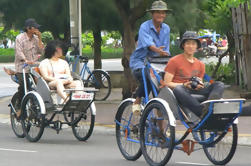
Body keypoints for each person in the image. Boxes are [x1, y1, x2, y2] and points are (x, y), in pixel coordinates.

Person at [163, 31, 224, 118]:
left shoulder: (200, 64)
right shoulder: (174, 61)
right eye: (188, 43)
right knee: (178, 89)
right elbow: (167, 83)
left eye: (193, 44)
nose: (190, 46)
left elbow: (200, 82)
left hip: (194, 90)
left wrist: (199, 85)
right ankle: (202, 113)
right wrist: (184, 85)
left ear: (197, 46)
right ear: (183, 45)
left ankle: (209, 107)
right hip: (181, 91)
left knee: (219, 84)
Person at [129, 0, 171, 115]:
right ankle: (137, 99)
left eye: (163, 13)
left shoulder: (166, 28)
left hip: (157, 63)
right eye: (158, 12)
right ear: (152, 14)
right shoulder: (145, 26)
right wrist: (158, 50)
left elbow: (166, 49)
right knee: (149, 74)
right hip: (140, 62)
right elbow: (149, 44)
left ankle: (161, 128)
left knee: (162, 92)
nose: (161, 15)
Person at [14, 18, 44, 117]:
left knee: (42, 83)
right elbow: (19, 52)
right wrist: (25, 60)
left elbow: (41, 52)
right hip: (22, 66)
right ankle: (19, 106)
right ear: (28, 28)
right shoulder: (19, 38)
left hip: (34, 66)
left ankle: (40, 105)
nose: (36, 29)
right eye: (34, 27)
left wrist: (40, 38)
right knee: (24, 85)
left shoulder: (36, 38)